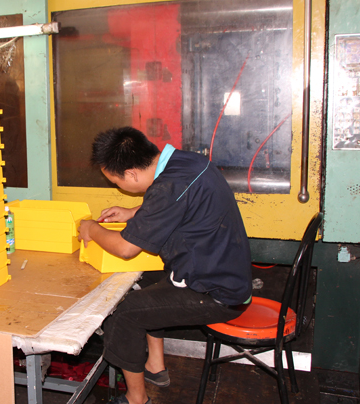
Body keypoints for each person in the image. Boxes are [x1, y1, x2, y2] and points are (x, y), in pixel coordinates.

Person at [78, 126, 252, 404]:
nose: (117, 187)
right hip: (226, 273)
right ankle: (155, 366)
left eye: (116, 182)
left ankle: (136, 399)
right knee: (143, 282)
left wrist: (91, 228)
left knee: (124, 313)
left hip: (217, 293)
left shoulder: (167, 187)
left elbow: (125, 249)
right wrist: (133, 212)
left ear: (131, 174)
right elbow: (176, 199)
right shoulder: (187, 162)